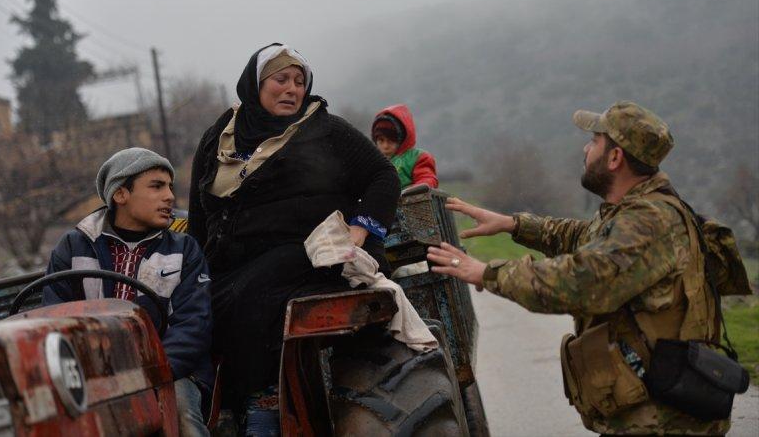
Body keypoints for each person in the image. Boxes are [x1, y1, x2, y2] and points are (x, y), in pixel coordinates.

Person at [427, 101, 729, 436]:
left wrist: (486, 272)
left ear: (615, 159)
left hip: (664, 420)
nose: (586, 149)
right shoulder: (634, 212)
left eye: (594, 141)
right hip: (653, 411)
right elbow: (581, 235)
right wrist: (512, 224)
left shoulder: (648, 221)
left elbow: (582, 282)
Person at [188, 43, 400, 434]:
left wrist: (360, 228)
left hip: (307, 254)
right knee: (202, 305)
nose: (292, 89)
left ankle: (263, 400)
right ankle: (220, 404)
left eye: (299, 81)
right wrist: (195, 268)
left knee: (255, 291)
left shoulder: (325, 129)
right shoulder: (220, 136)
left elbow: (383, 176)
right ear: (255, 85)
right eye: (281, 79)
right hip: (232, 262)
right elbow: (200, 210)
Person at [43, 148, 213, 437]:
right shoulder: (73, 248)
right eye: (157, 186)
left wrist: (152, 373)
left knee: (182, 415)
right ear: (120, 194)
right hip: (95, 374)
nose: (170, 196)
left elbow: (193, 323)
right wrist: (91, 377)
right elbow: (52, 319)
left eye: (170, 186)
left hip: (171, 371)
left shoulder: (184, 249)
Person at [372, 104, 438, 189]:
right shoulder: (373, 161)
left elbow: (427, 179)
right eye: (381, 140)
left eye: (391, 141)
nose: (385, 146)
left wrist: (417, 190)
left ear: (402, 139)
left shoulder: (418, 158)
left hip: (412, 201)